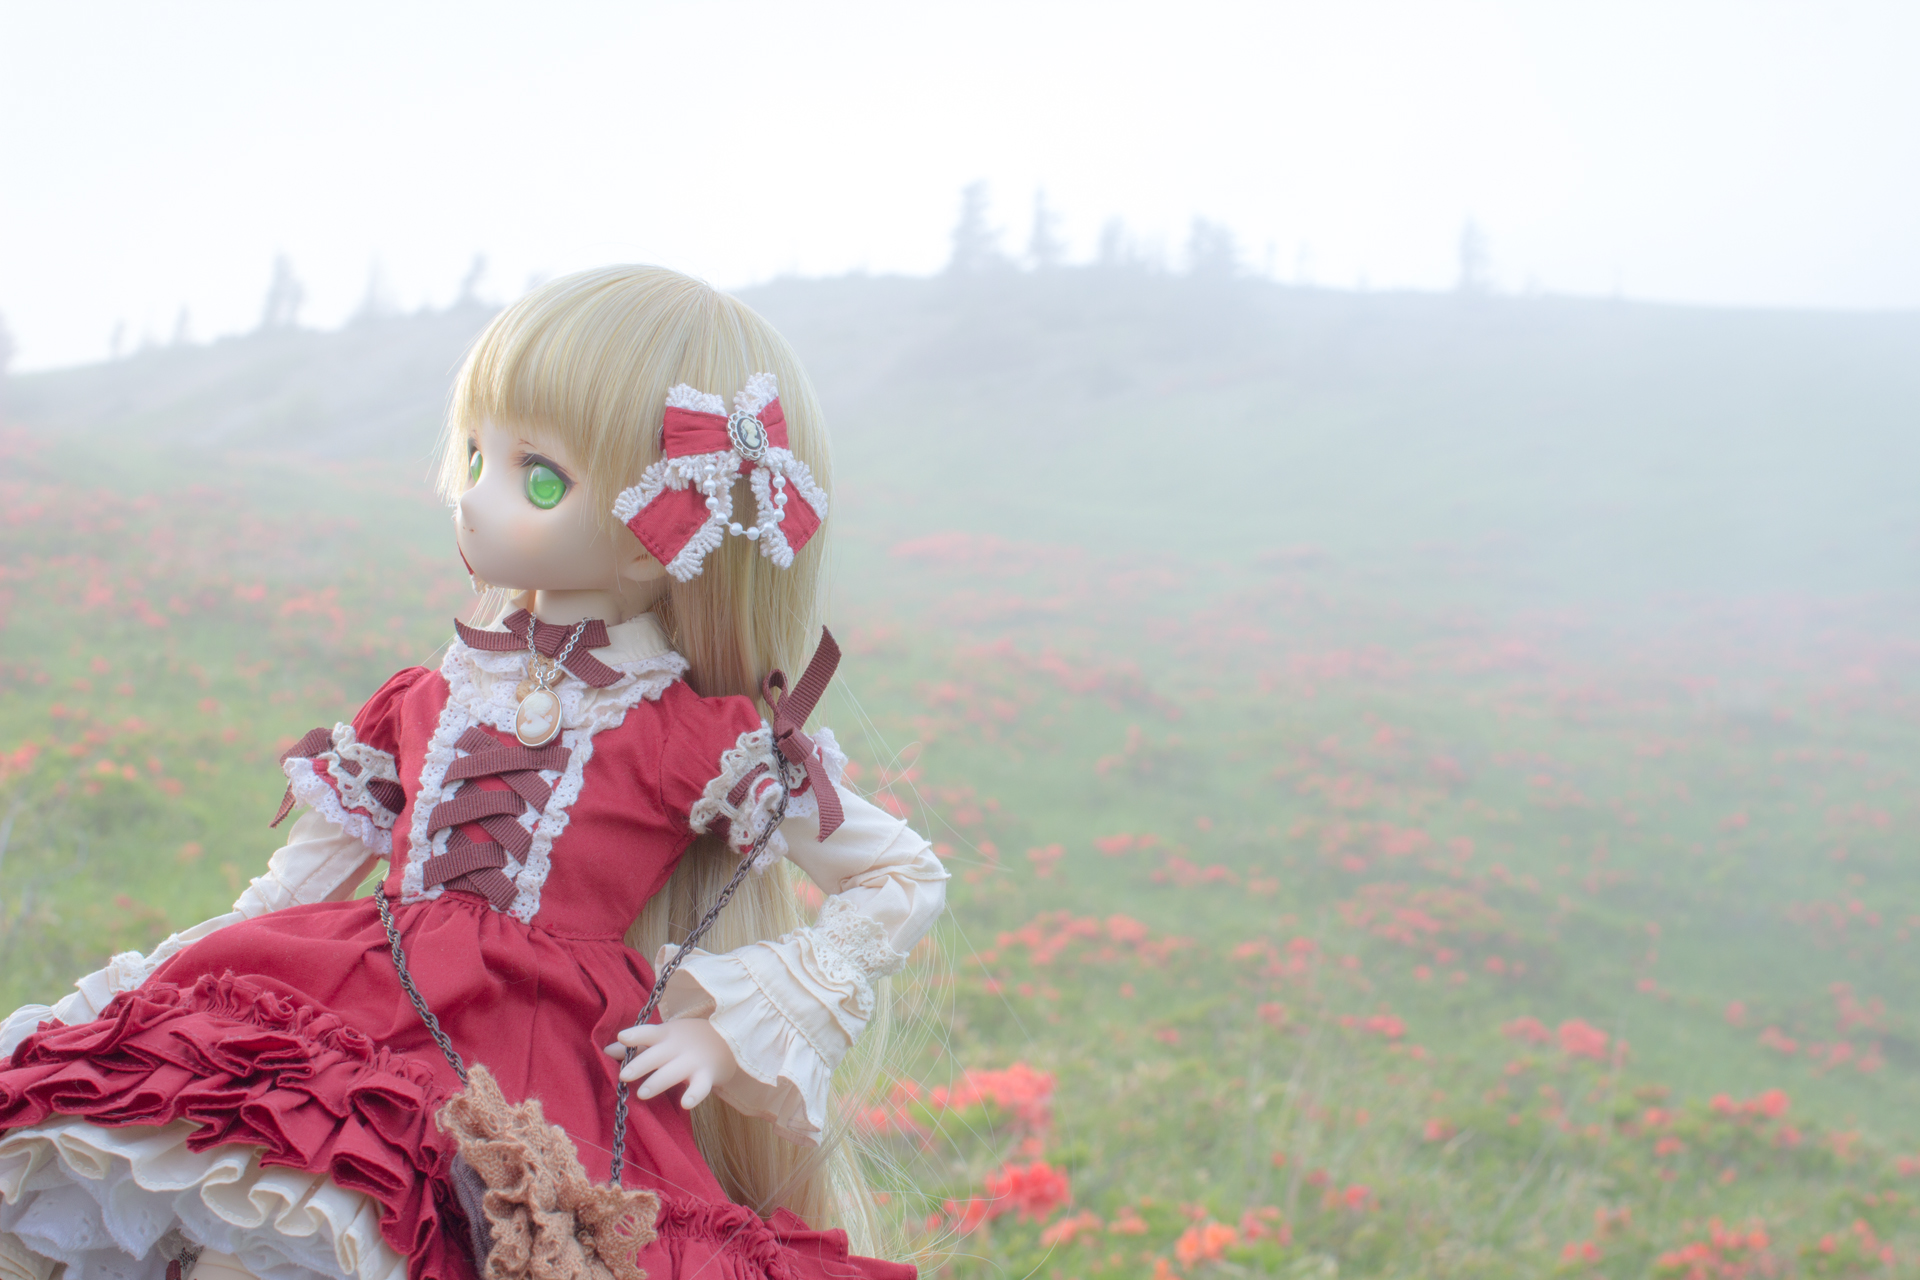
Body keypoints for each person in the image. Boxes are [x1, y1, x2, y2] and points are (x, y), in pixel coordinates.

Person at [0, 266, 945, 1280]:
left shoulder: (691, 740)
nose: (474, 499)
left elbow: (901, 873)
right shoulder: (426, 698)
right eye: (475, 456)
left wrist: (734, 1024)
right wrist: (154, 978)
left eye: (539, 478)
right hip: (350, 1009)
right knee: (190, 1203)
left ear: (663, 538)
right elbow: (289, 891)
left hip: (540, 1073)